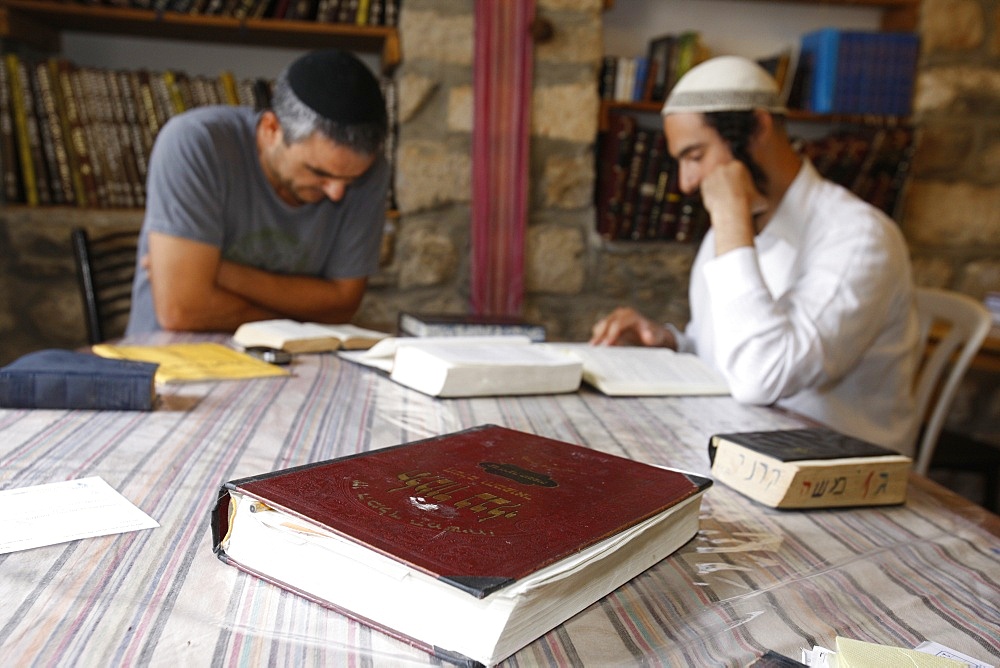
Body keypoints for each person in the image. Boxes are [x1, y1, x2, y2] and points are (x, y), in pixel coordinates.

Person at [590, 56, 920, 455]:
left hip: (835, 479)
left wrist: (731, 219)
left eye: (695, 156)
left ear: (758, 128)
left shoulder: (859, 237)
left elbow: (760, 377)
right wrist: (668, 343)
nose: (686, 182)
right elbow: (723, 351)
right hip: (736, 452)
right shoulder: (728, 231)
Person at [126, 49, 390, 336]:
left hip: (297, 366)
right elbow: (183, 310)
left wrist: (220, 271)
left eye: (351, 179)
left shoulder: (372, 172)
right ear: (271, 128)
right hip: (174, 362)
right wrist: (303, 324)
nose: (337, 192)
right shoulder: (195, 144)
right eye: (319, 173)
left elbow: (342, 304)